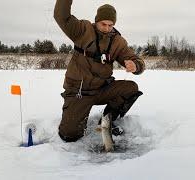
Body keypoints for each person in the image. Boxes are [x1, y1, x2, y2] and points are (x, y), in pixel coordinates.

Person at [54, 0, 145, 142]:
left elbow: (134, 59)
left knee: (131, 88)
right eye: (104, 24)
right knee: (70, 135)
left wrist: (135, 65)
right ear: (96, 21)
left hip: (102, 89)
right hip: (79, 92)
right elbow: (61, 16)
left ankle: (106, 120)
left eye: (111, 25)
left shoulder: (118, 41)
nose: (107, 28)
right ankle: (77, 118)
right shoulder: (81, 30)